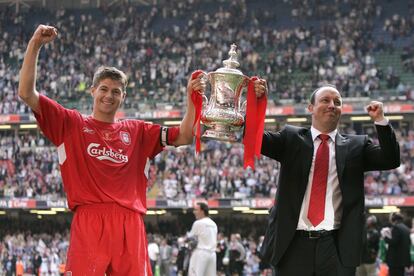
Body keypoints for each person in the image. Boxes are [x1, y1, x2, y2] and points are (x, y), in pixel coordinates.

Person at [18, 25, 203, 276]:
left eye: (116, 91)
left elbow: (183, 136)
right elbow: (26, 93)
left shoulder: (138, 131)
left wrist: (191, 98)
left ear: (123, 96)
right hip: (89, 220)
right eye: (103, 89)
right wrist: (35, 45)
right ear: (93, 90)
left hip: (130, 222)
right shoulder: (70, 123)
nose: (109, 95)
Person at [258, 84, 400, 275]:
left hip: (336, 246)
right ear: (310, 108)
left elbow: (390, 159)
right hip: (292, 245)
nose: (332, 105)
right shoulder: (291, 139)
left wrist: (381, 121)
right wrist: (257, 104)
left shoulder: (357, 146)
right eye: (325, 100)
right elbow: (255, 138)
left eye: (337, 102)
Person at [188, 202, 218, 276]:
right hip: (212, 254)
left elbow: (190, 238)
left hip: (201, 252)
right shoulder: (213, 224)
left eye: (196, 210)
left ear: (202, 211)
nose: (194, 212)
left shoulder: (198, 223)